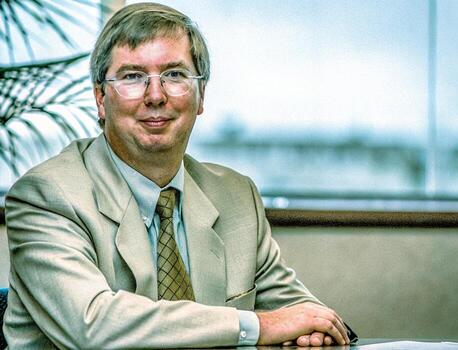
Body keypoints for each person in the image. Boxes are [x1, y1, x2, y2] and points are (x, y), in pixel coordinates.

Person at [3, 2, 355, 348]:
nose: (155, 95)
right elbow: (93, 324)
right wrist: (256, 325)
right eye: (132, 77)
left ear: (201, 95)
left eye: (174, 75)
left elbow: (300, 312)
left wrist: (314, 329)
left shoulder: (236, 196)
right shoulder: (47, 197)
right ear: (100, 98)